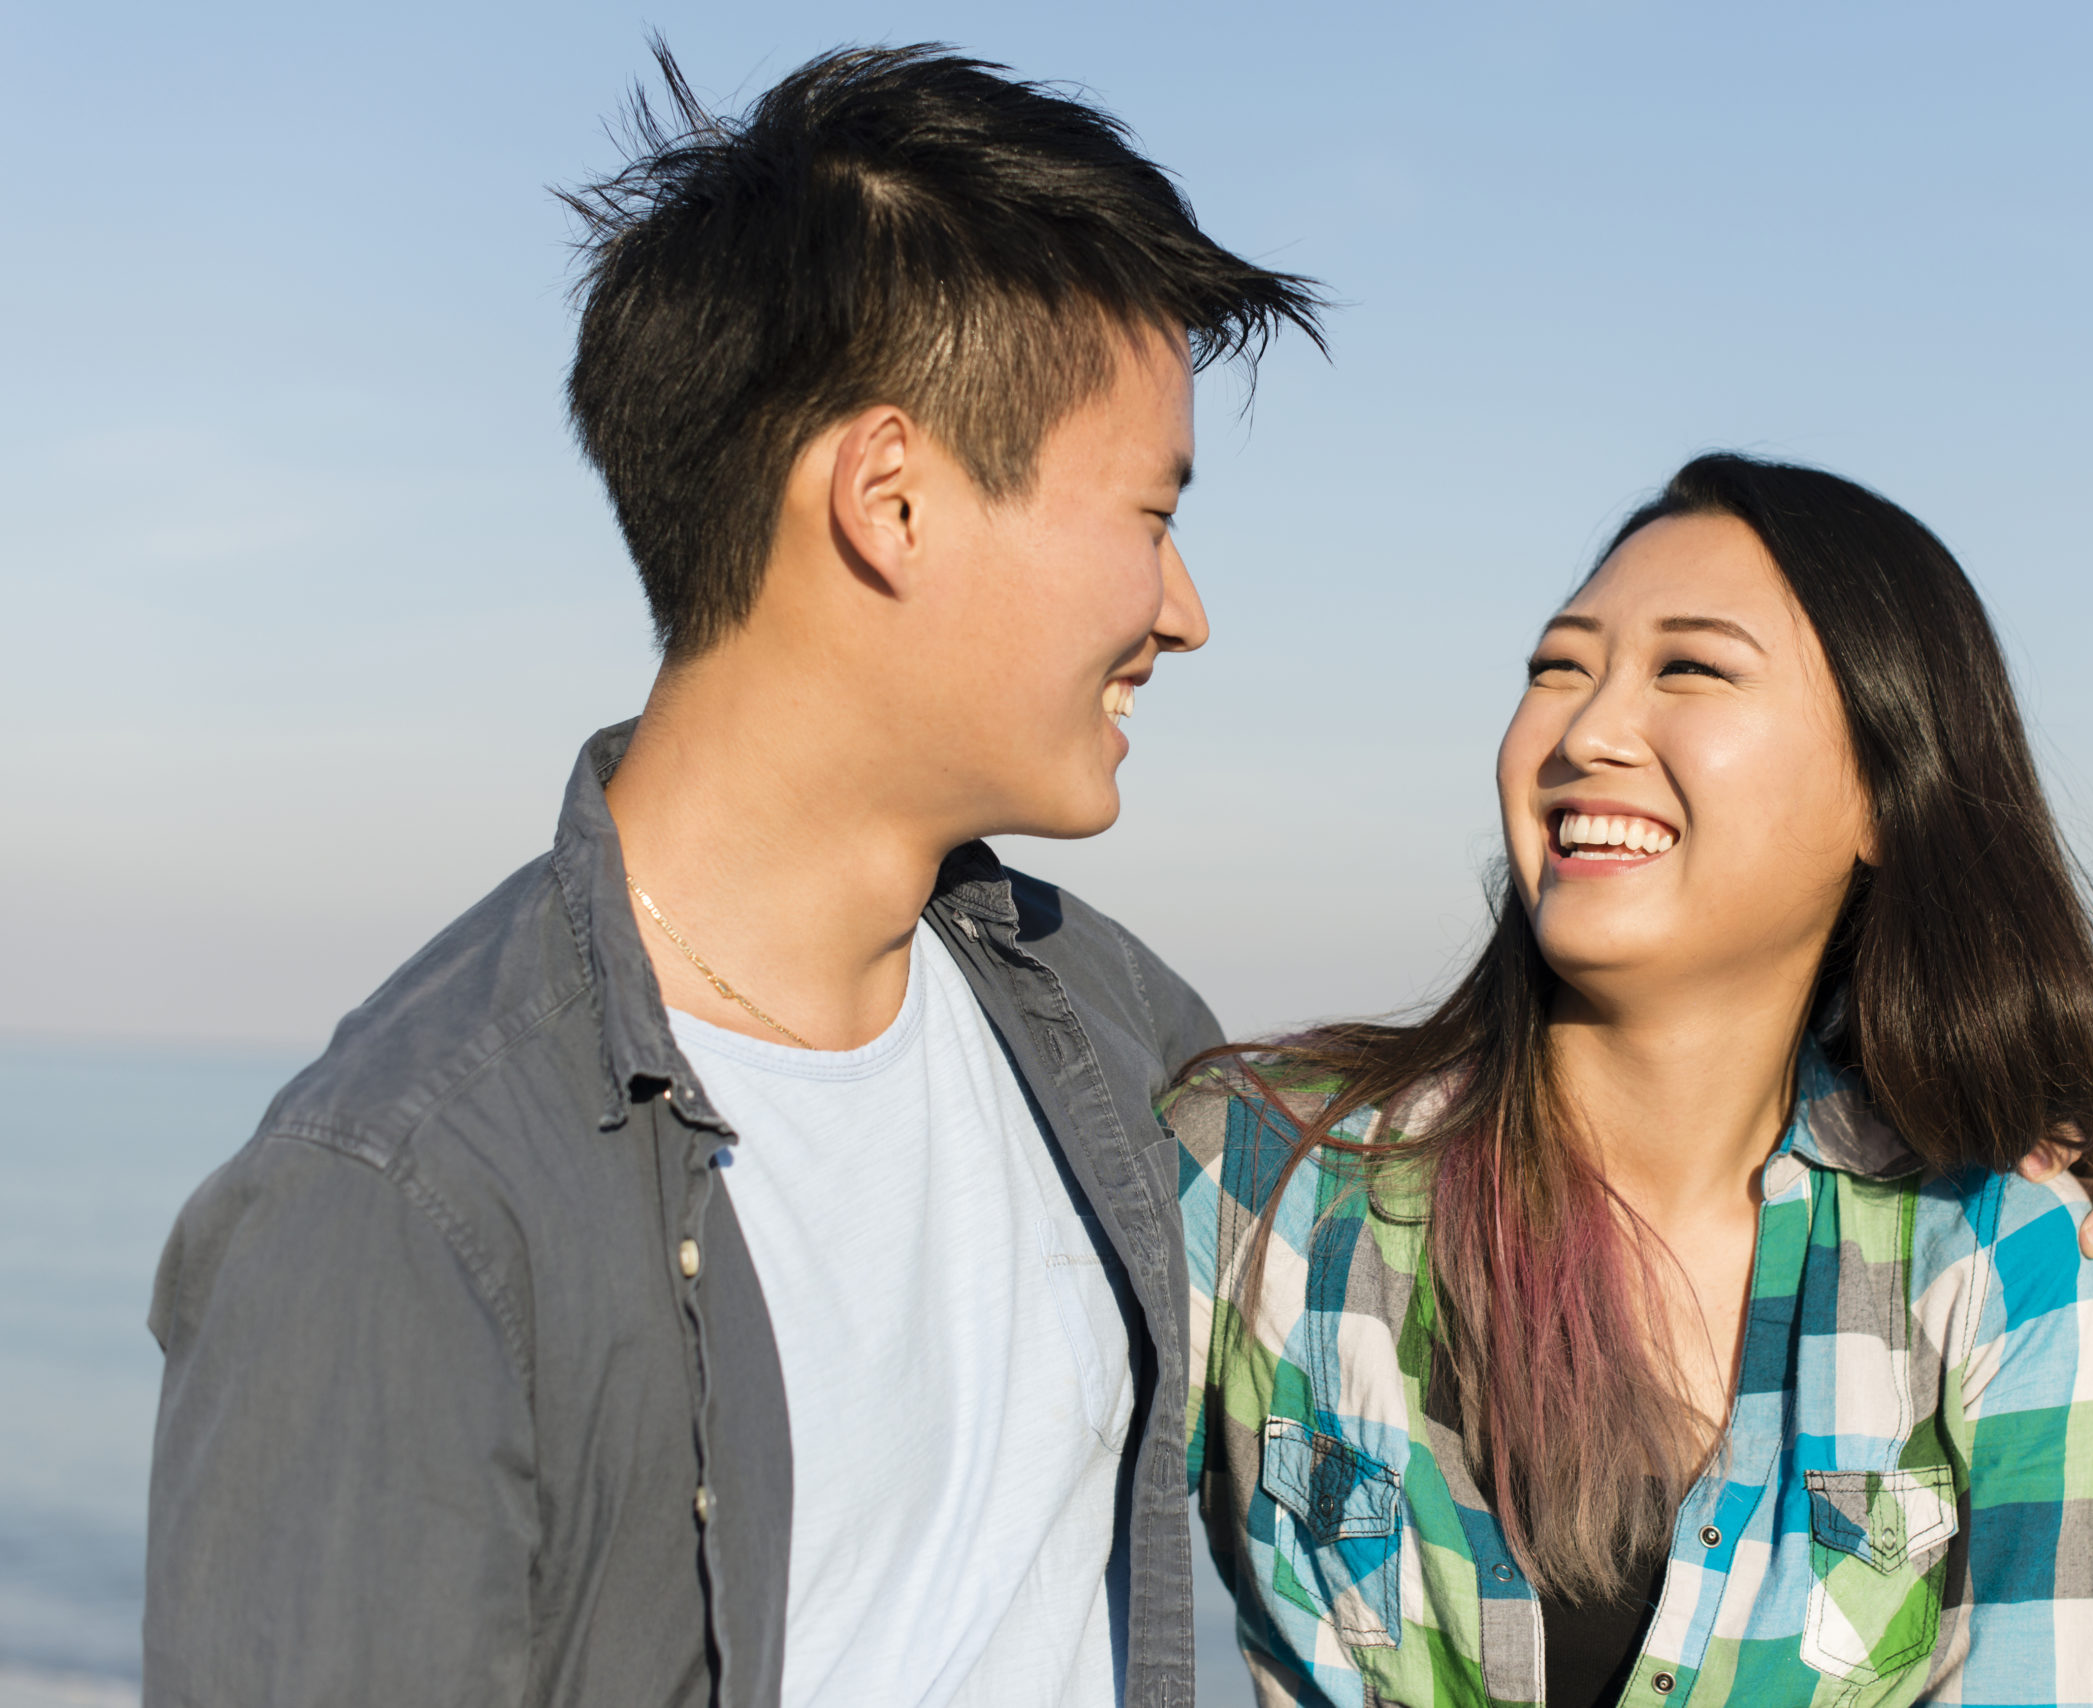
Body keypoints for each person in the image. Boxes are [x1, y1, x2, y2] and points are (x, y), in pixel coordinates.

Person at [143, 43, 1324, 1708]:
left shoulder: (1110, 1017)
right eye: (1149, 510)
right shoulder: (401, 1199)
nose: (1184, 606)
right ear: (891, 499)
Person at [1176, 454, 2093, 1708]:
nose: (1585, 730)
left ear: (1883, 789)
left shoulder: (1994, 1257)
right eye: (1558, 667)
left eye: (1688, 668)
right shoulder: (1258, 1176)